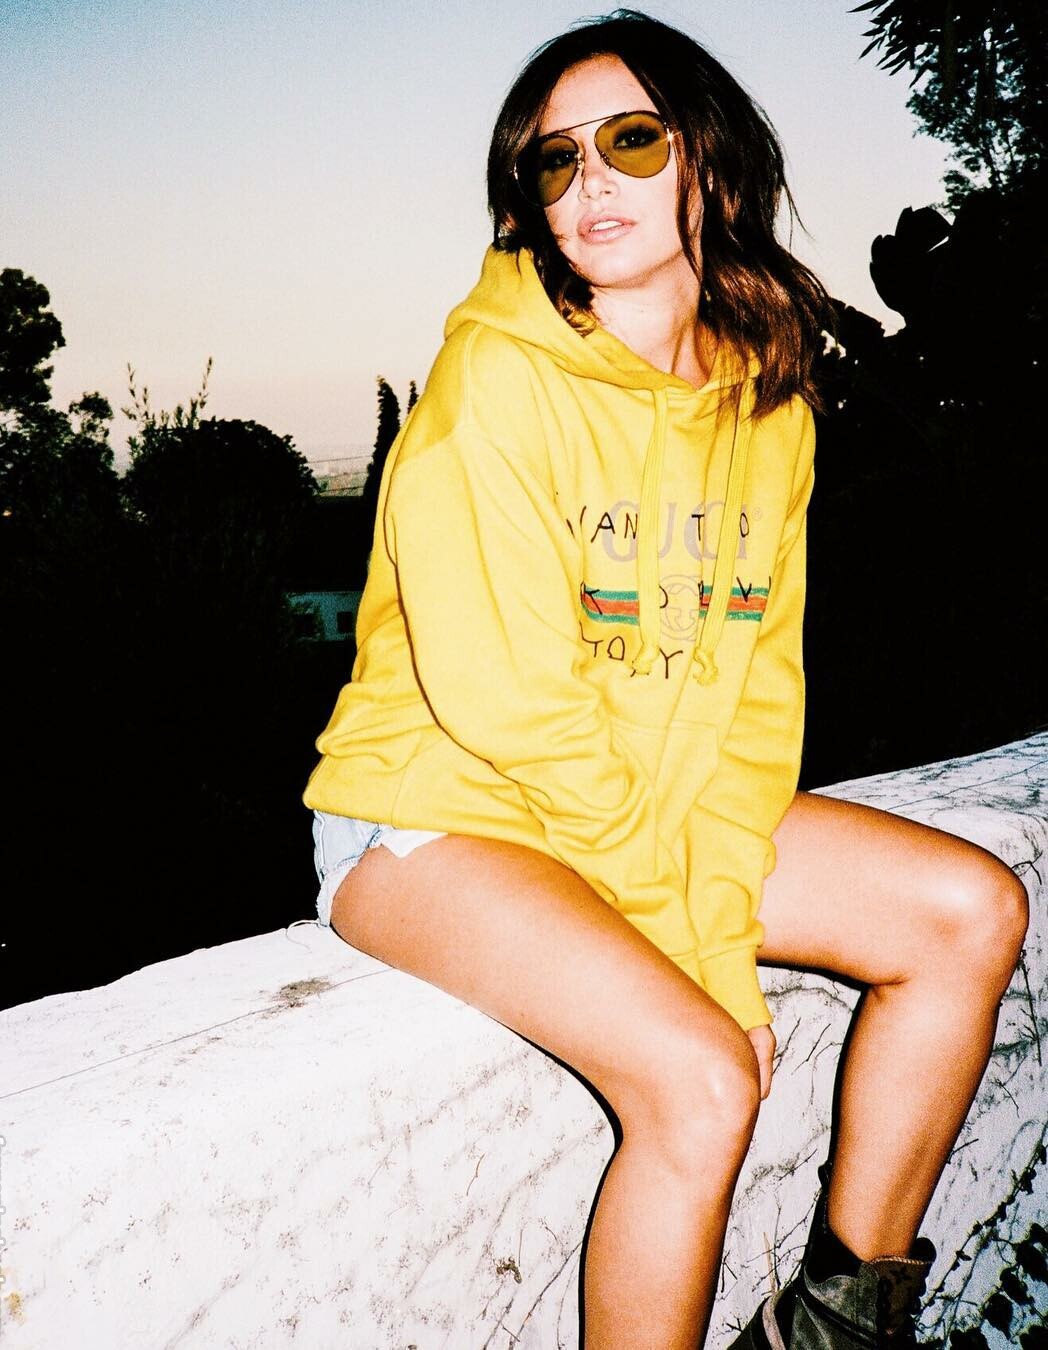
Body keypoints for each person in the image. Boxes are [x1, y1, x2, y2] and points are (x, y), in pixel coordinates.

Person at [303, 11, 1028, 1348]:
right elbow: (513, 711)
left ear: (711, 160)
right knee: (699, 1077)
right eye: (555, 158)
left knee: (967, 912)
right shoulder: (492, 382)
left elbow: (755, 700)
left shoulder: (771, 403)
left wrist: (703, 899)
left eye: (631, 139)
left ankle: (842, 1321)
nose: (590, 178)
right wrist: (702, 958)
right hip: (436, 810)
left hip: (647, 796)